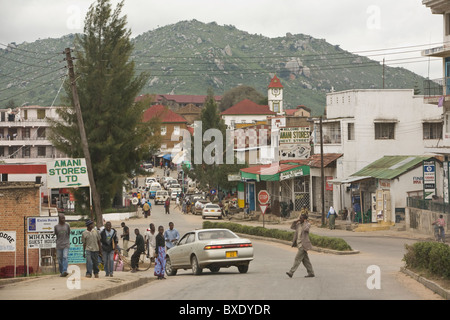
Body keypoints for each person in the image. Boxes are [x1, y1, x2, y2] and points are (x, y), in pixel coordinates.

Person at [286, 213, 315, 278]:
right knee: (305, 260)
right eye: (299, 217)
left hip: (303, 245)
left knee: (297, 258)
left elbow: (306, 229)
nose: (300, 219)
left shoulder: (307, 224)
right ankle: (311, 272)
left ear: (304, 219)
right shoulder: (298, 224)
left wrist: (305, 222)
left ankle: (291, 272)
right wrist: (296, 221)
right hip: (299, 245)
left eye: (301, 218)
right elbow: (292, 227)